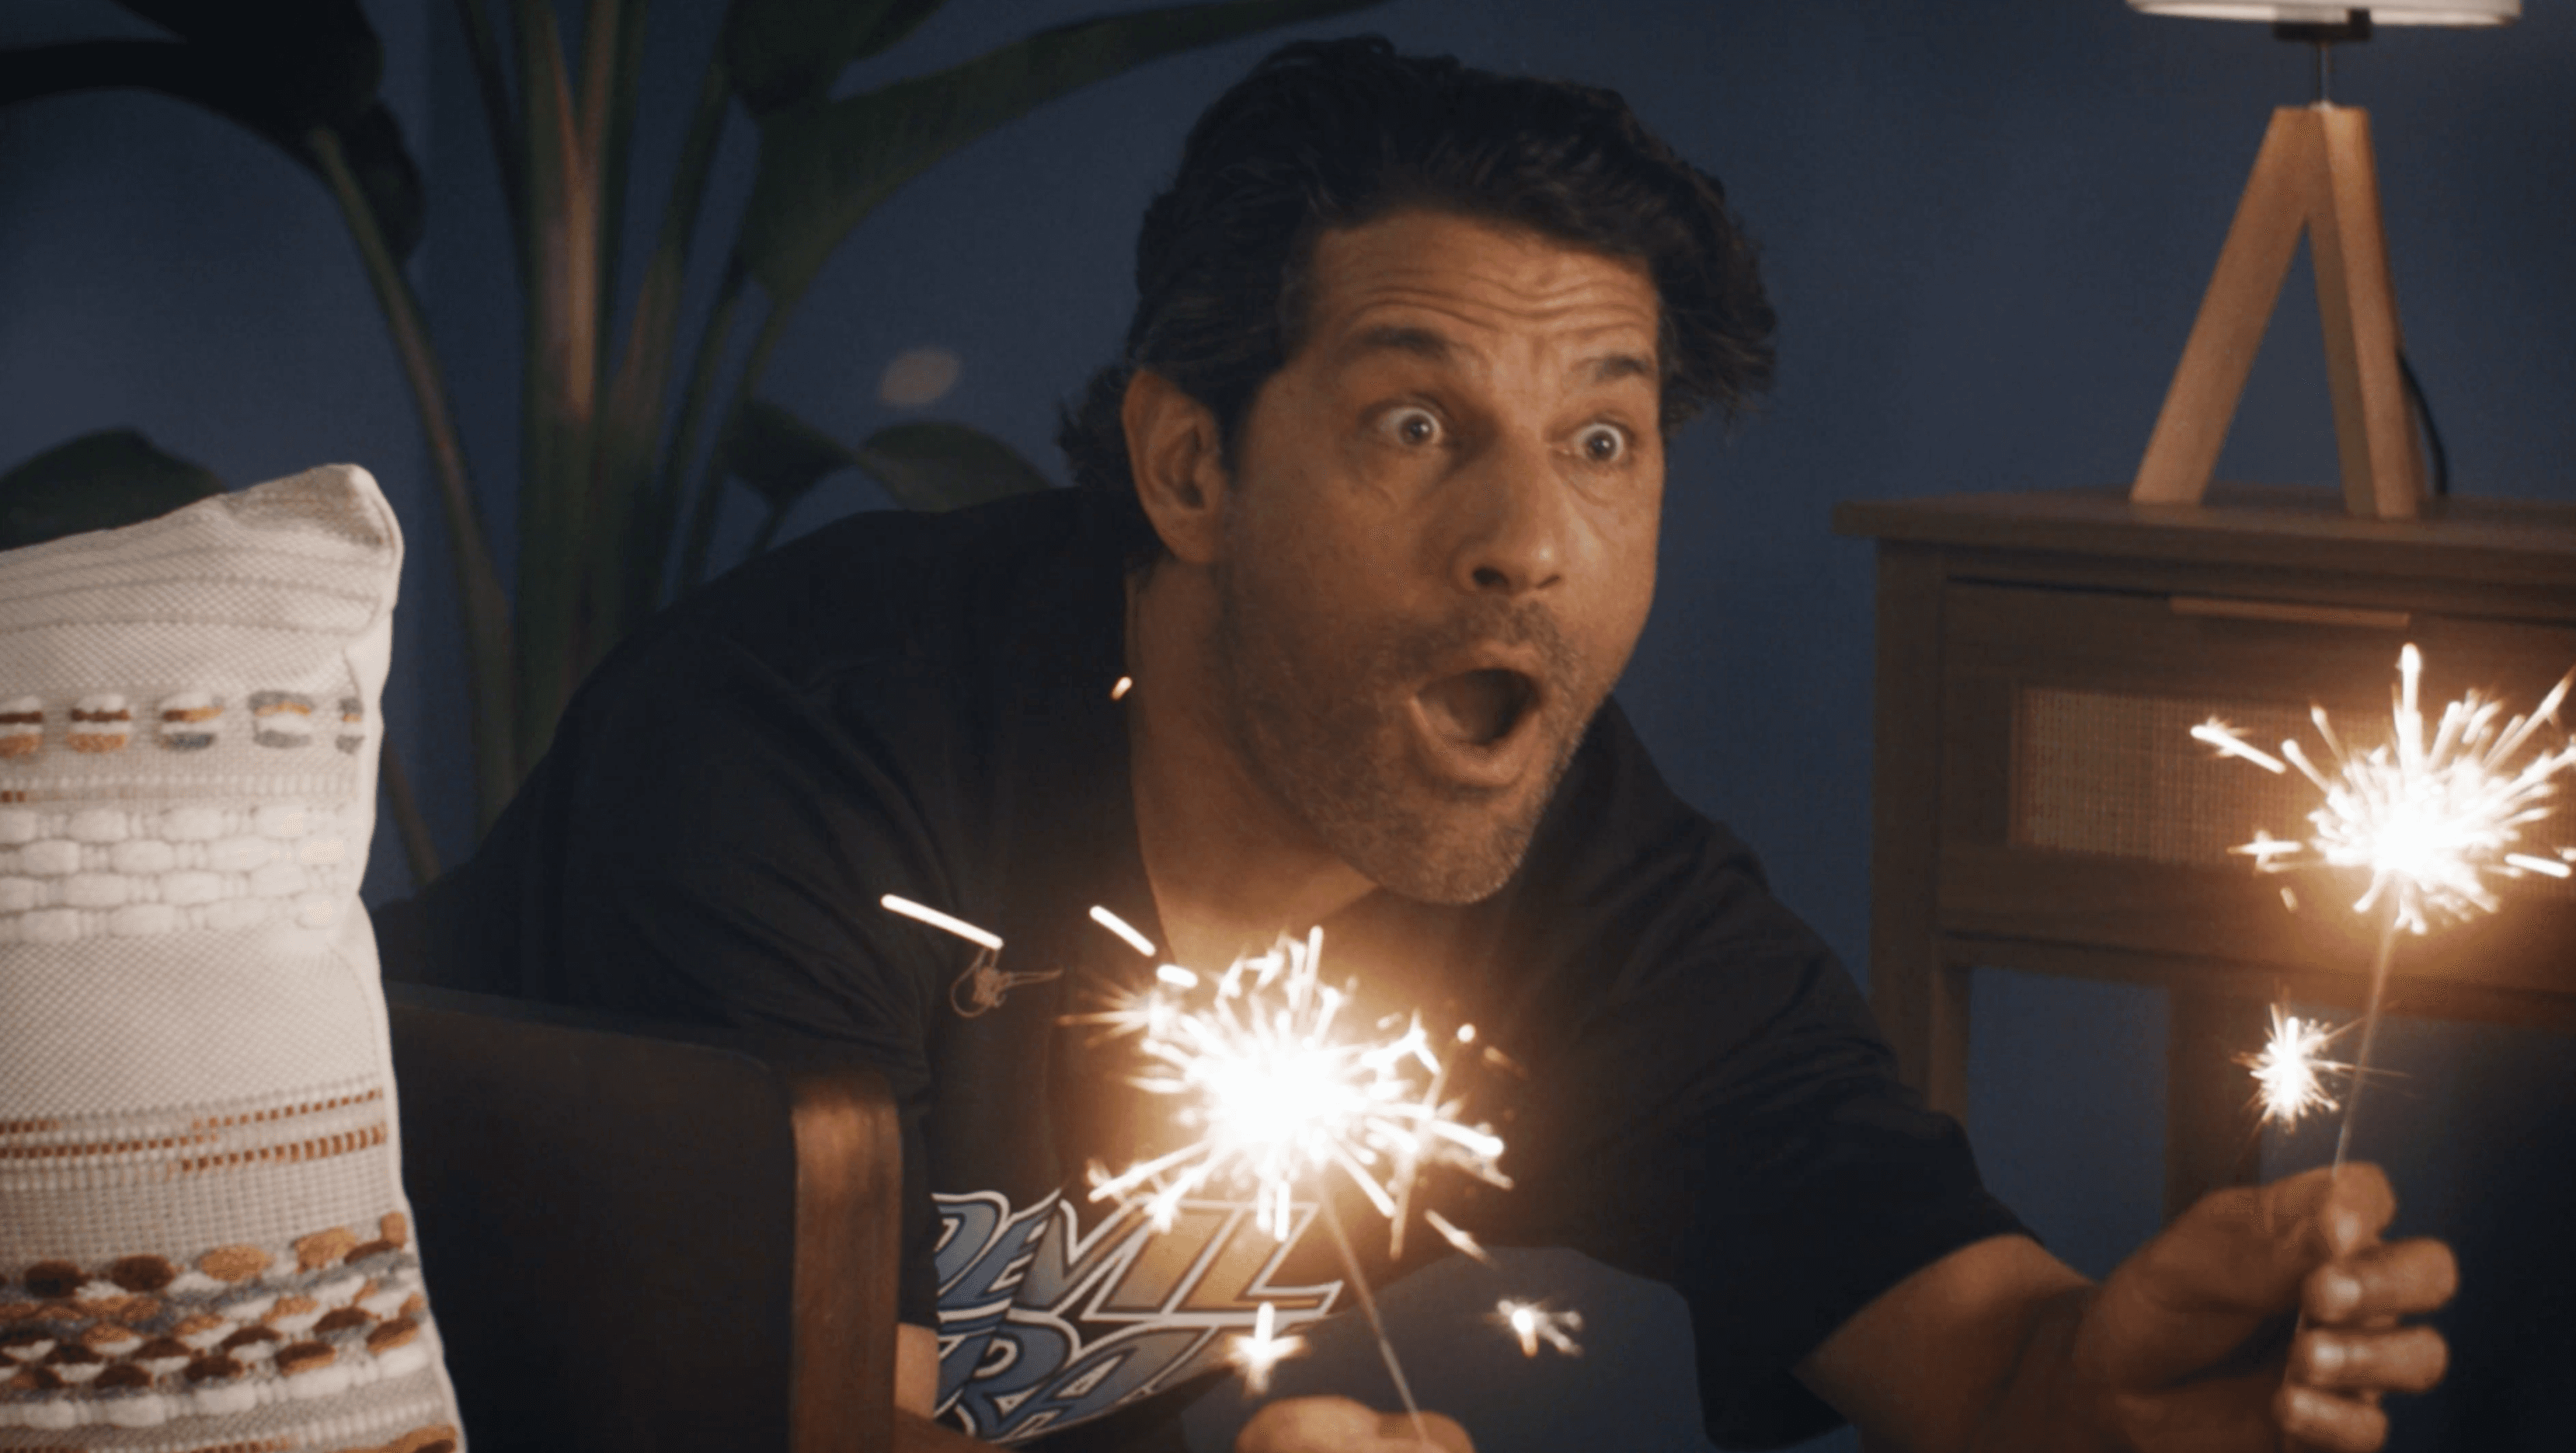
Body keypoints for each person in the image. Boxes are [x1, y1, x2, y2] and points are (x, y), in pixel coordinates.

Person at [420, 36, 2456, 1453]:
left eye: (1601, 438)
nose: (1529, 547)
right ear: (1191, 460)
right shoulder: (805, 754)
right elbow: (770, 1416)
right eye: (1417, 426)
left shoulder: (1583, 874)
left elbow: (1978, 1352)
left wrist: (2111, 1376)